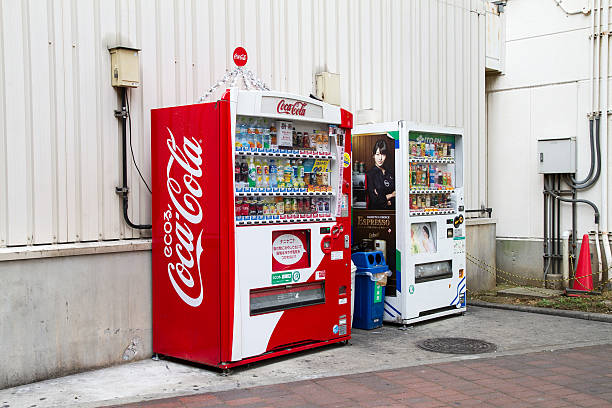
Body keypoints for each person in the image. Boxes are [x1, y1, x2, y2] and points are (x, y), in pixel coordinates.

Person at [366, 139, 395, 210]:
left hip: (391, 213)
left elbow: (397, 196)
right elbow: (374, 200)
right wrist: (391, 195)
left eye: (383, 154)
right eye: (377, 154)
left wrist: (383, 198)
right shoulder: (370, 174)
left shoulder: (390, 173)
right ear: (373, 155)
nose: (380, 158)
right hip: (376, 214)